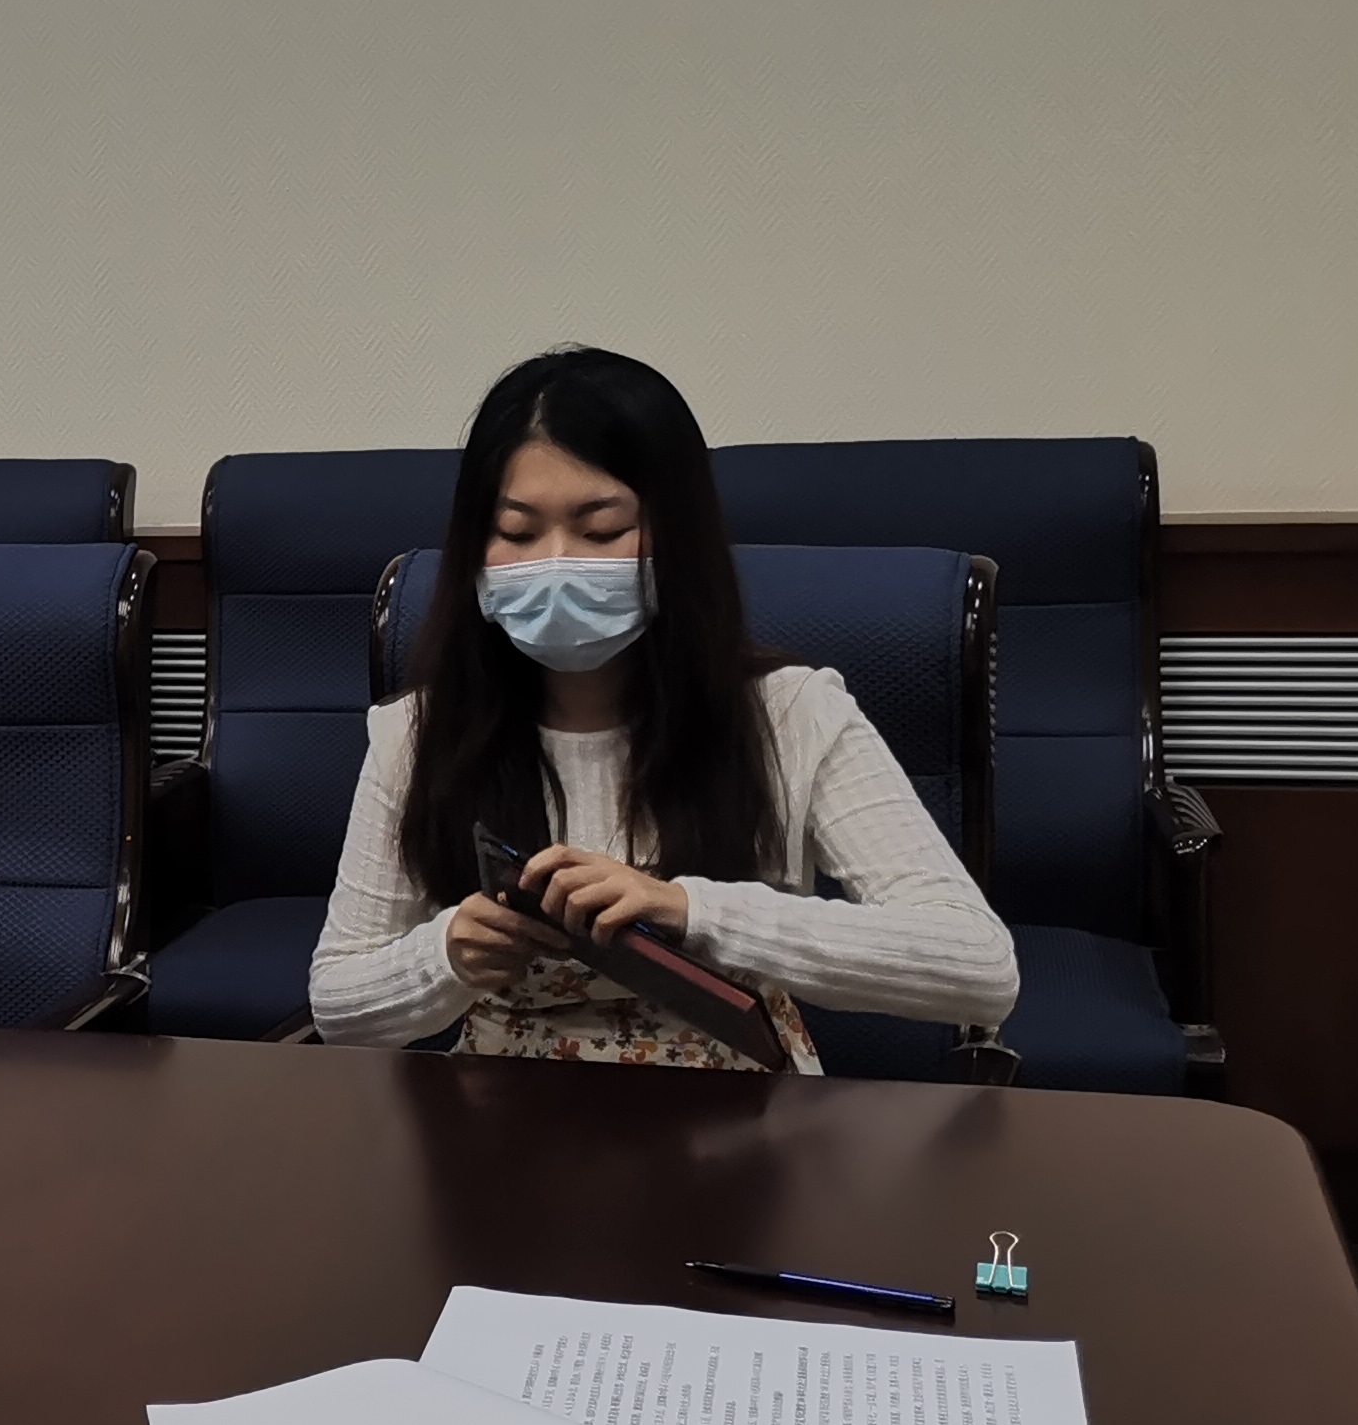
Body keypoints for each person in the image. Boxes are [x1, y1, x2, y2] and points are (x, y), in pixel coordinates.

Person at [309, 349, 1017, 1069]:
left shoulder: (790, 711)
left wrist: (689, 910)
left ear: (679, 538)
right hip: (503, 1110)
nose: (556, 564)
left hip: (738, 1109)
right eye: (517, 533)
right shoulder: (417, 733)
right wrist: (446, 957)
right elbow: (336, 1005)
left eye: (601, 531)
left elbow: (980, 967)